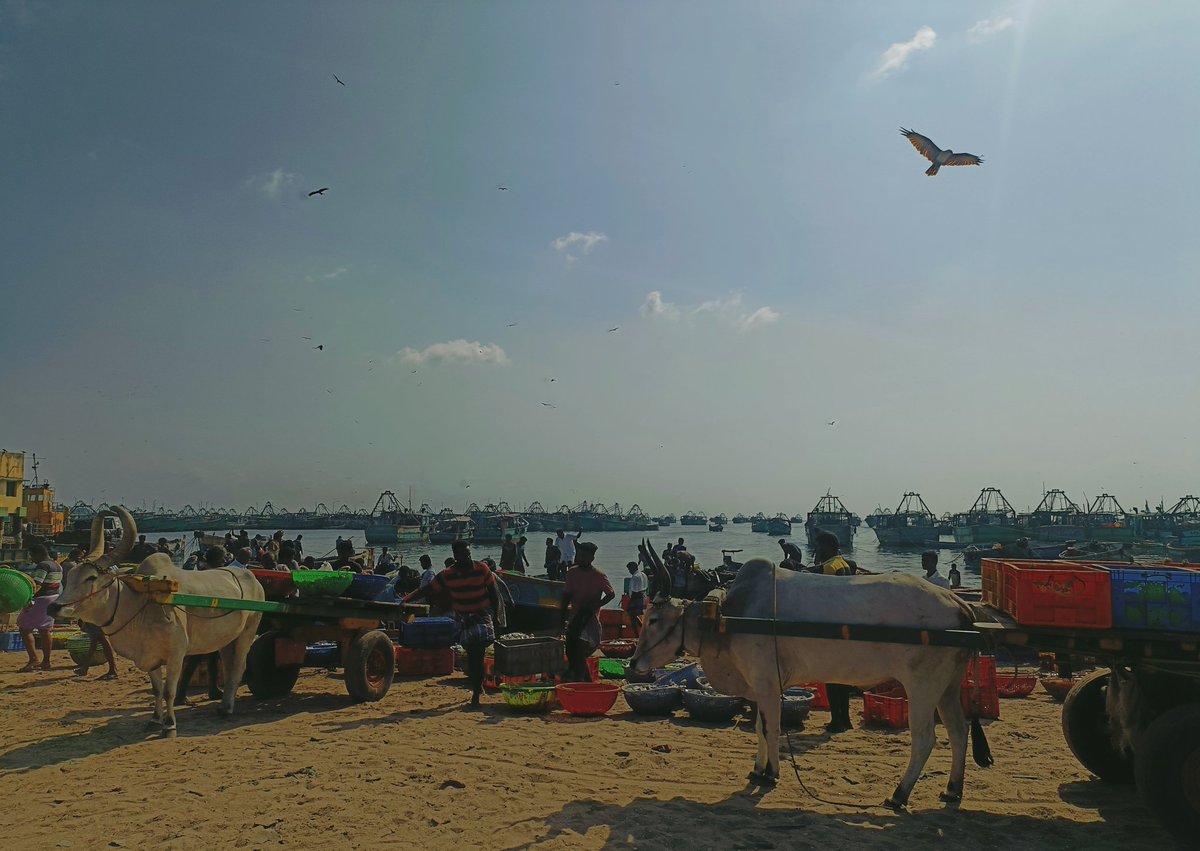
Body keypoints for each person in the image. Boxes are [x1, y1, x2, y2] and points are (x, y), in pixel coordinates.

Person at [403, 540, 502, 707]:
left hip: (481, 616)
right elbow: (427, 590)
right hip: (464, 619)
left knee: (477, 652)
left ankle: (476, 692)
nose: (468, 559)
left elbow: (494, 593)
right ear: (456, 557)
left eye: (469, 555)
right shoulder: (447, 575)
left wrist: (497, 616)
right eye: (464, 556)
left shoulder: (482, 569)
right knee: (473, 654)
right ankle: (478, 686)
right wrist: (406, 600)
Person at [810, 530, 854, 733]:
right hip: (845, 624)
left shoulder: (828, 568)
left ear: (827, 546)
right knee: (841, 677)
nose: (816, 549)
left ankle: (836, 720)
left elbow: (825, 598)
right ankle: (845, 719)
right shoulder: (843, 564)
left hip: (831, 627)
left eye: (819, 545)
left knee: (830, 676)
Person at [175, 546, 228, 704]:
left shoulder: (202, 572)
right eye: (223, 558)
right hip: (205, 621)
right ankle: (180, 693)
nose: (225, 561)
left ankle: (213, 688)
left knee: (212, 656)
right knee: (196, 658)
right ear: (218, 559)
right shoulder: (213, 575)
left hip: (205, 619)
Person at [559, 542, 615, 682]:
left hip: (590, 621)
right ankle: (586, 681)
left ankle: (582, 682)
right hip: (575, 619)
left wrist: (596, 605)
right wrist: (561, 614)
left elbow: (611, 594)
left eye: (585, 555)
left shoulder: (599, 576)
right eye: (580, 555)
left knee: (579, 652)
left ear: (592, 557)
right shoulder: (572, 572)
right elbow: (567, 595)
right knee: (572, 652)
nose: (581, 558)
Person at [17, 544, 62, 672]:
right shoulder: (57, 565)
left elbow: (37, 585)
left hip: (40, 599)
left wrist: (27, 600)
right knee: (45, 630)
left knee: (24, 628)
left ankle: (33, 659)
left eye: (32, 555)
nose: (32, 559)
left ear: (39, 554)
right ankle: (46, 662)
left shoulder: (43, 565)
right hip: (53, 598)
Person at [625, 561, 648, 635]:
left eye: (629, 569)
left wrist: (630, 601)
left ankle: (636, 635)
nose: (629, 571)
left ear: (633, 568)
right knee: (635, 615)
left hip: (636, 597)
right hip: (643, 595)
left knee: (632, 616)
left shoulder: (635, 577)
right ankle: (643, 630)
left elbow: (635, 590)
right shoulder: (643, 574)